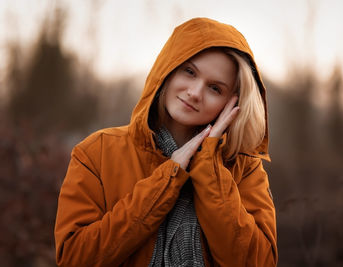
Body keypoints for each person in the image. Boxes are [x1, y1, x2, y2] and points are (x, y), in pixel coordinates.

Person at [54, 17, 277, 267]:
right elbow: (74, 258)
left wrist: (208, 169)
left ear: (232, 104)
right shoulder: (97, 152)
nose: (194, 92)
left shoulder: (245, 169)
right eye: (189, 72)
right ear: (169, 69)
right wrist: (168, 179)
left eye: (215, 88)